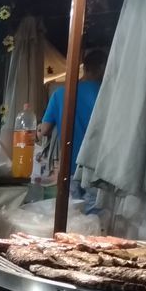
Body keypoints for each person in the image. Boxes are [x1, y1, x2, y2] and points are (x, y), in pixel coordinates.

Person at [39, 47, 107, 197]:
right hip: (98, 169)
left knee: (72, 214)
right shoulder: (107, 94)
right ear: (102, 68)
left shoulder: (60, 94)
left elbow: (44, 130)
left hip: (69, 168)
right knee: (96, 217)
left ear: (86, 68)